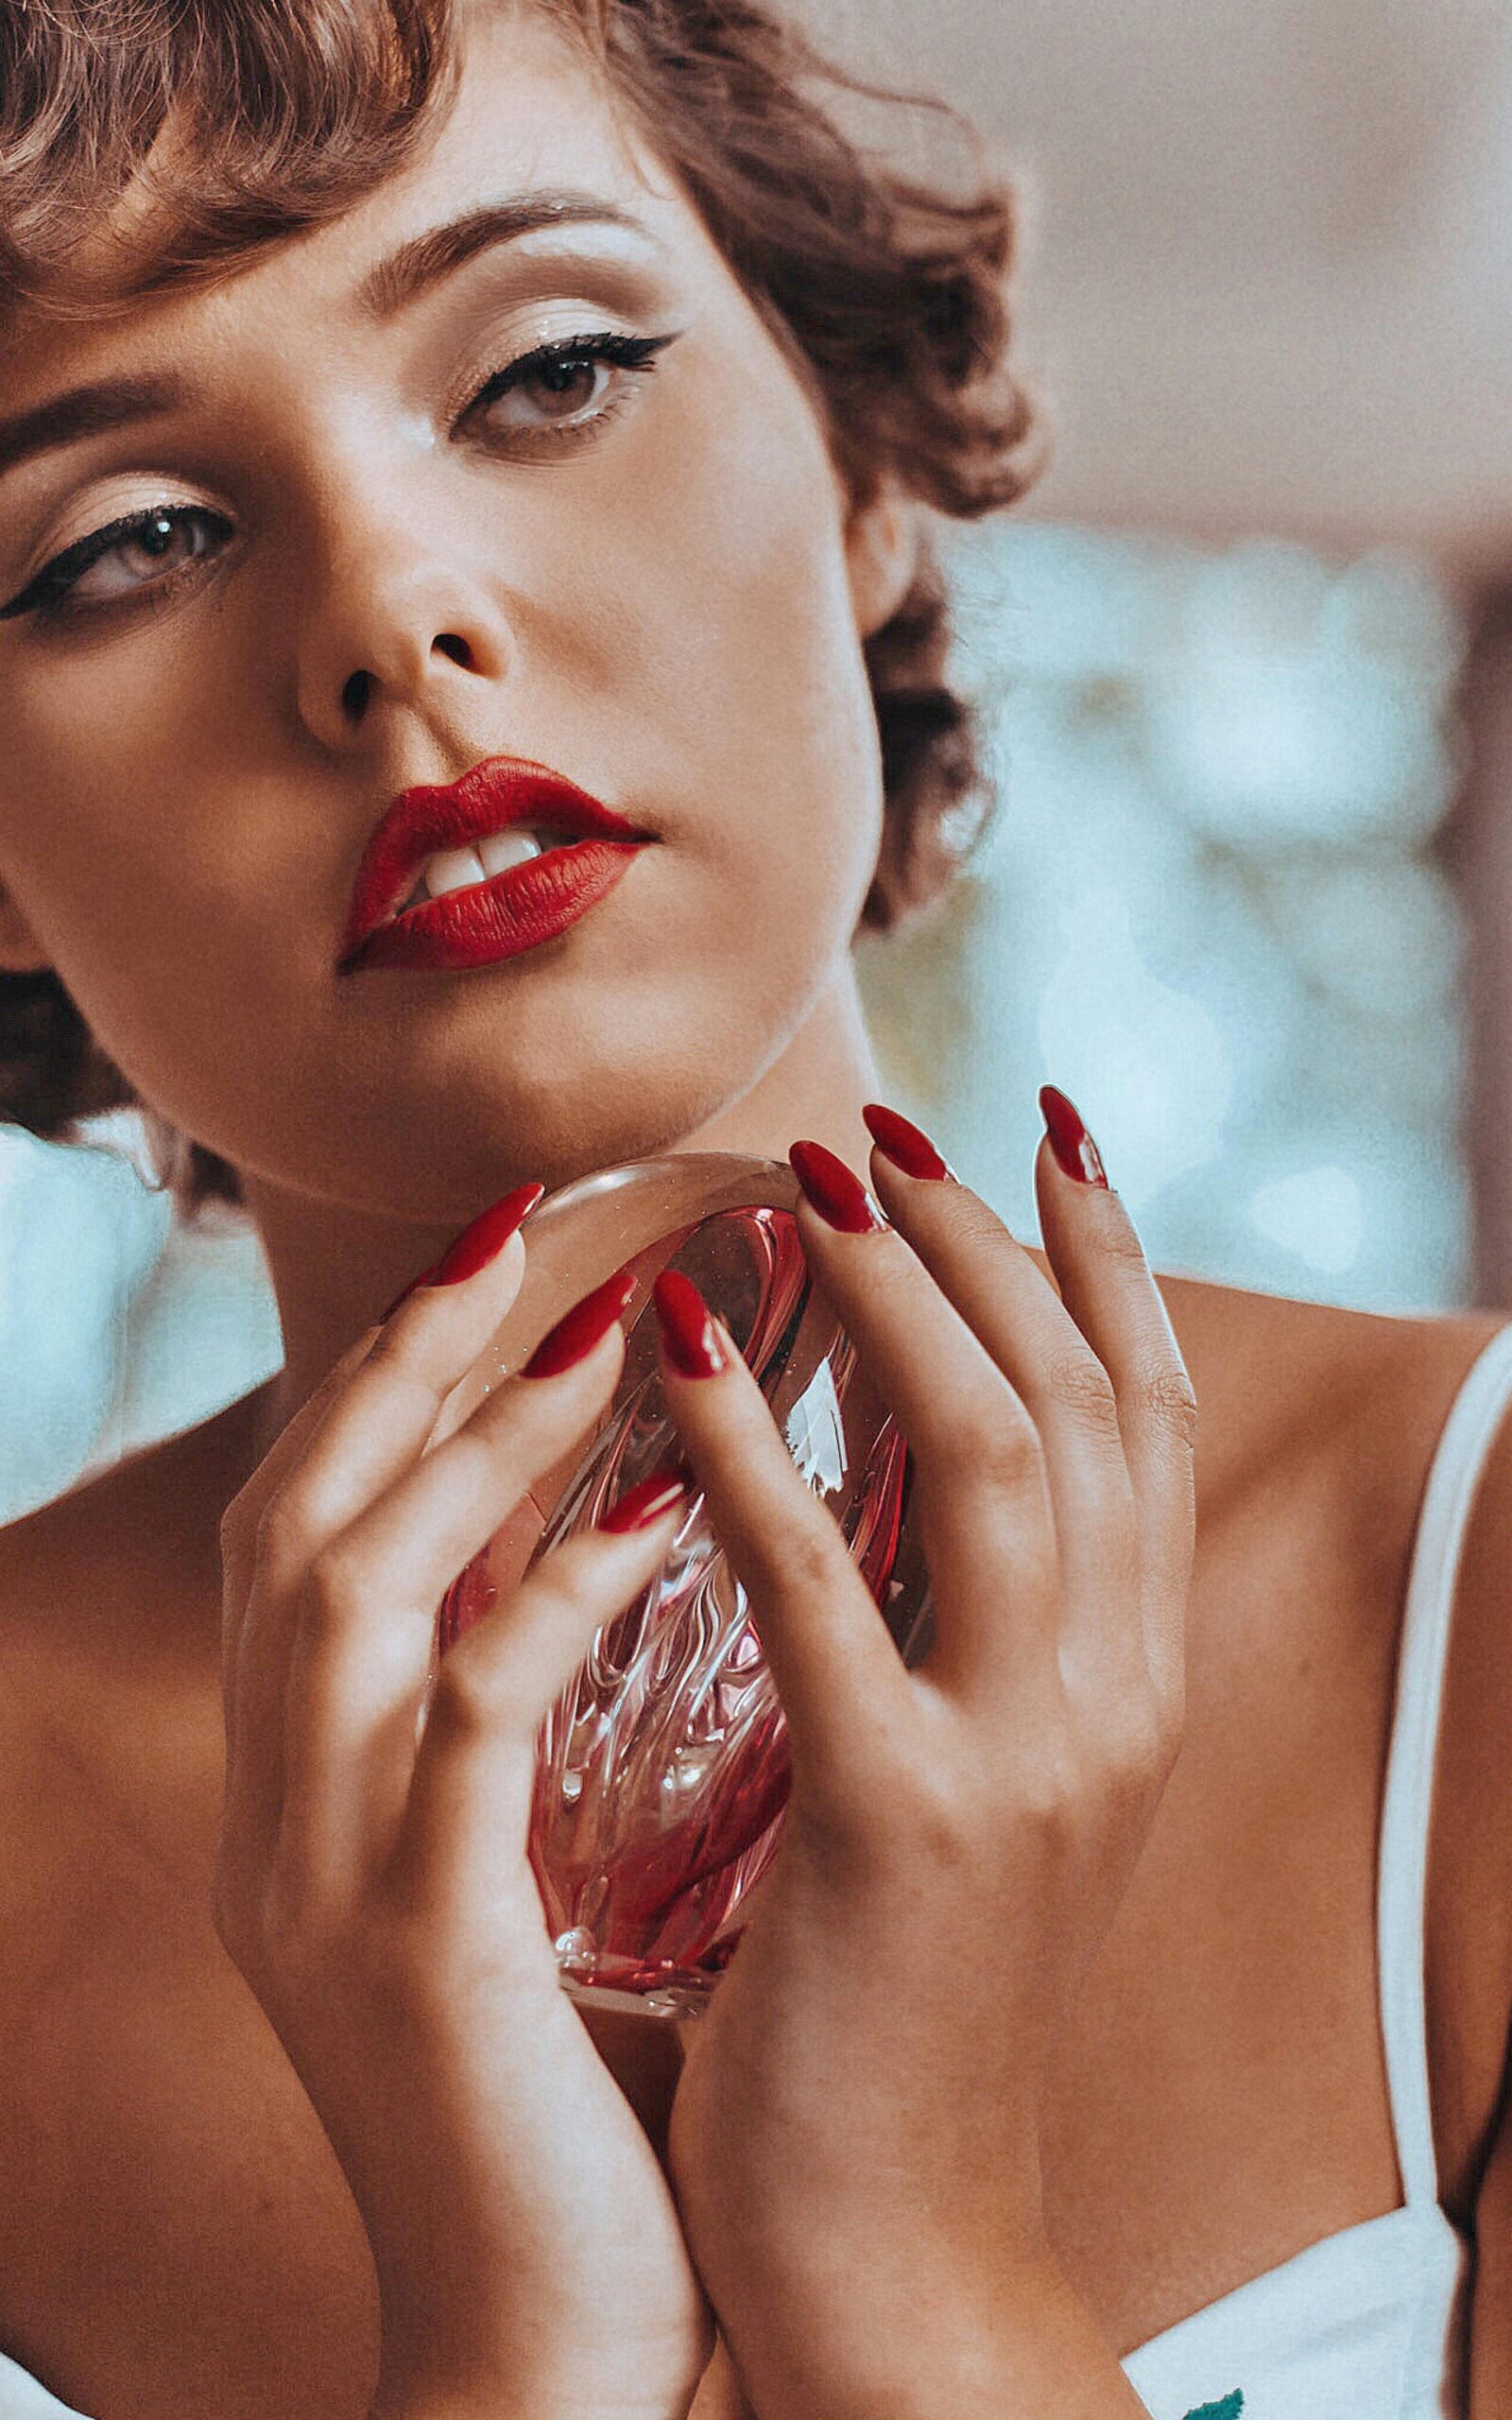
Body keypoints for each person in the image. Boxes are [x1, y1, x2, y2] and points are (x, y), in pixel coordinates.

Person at [0, 2, 1507, 2414]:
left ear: (859, 469)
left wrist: (894, 2240)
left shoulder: (1465, 1595)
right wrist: (520, 2347)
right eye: (130, 542)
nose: (389, 613)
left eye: (551, 374)